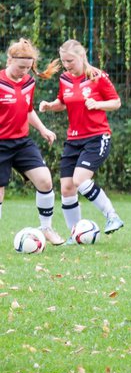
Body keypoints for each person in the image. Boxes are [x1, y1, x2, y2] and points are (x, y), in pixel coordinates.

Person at [37, 40, 125, 235]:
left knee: (80, 180)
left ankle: (112, 216)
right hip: (73, 140)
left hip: (96, 137)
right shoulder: (65, 79)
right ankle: (74, 234)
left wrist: (98, 104)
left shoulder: (97, 76)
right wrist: (51, 106)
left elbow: (116, 102)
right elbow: (63, 102)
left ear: (81, 57)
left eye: (70, 60)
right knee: (67, 188)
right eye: (64, 61)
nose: (67, 65)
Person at [0, 39, 63, 244]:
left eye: (28, 68)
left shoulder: (29, 82)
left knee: (45, 180)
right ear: (9, 60)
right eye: (20, 67)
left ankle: (46, 228)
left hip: (22, 142)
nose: (24, 72)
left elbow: (27, 109)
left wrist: (43, 129)